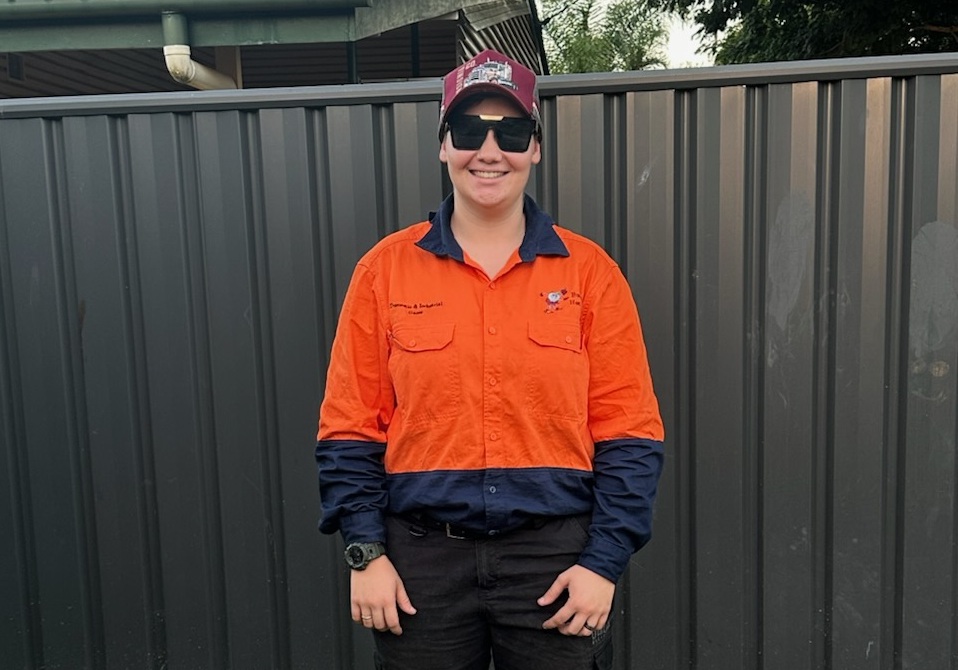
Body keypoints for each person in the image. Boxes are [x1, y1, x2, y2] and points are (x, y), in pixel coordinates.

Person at [315, 49, 665, 670]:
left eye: (512, 131)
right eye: (470, 130)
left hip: (556, 565)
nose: (490, 149)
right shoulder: (383, 271)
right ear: (444, 145)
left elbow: (630, 431)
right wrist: (366, 555)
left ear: (534, 147)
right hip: (420, 569)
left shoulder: (591, 275)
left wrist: (603, 564)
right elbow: (349, 428)